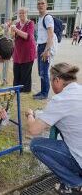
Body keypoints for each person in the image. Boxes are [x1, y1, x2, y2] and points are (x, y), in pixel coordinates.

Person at [26, 62, 82, 194]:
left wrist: (29, 115)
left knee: (36, 145)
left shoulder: (60, 100)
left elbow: (34, 130)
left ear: (57, 80)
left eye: (51, 81)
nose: (51, 85)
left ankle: (74, 183)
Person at [33, 0, 58, 100]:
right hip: (41, 46)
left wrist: (47, 50)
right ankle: (42, 91)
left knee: (44, 72)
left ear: (46, 5)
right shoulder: (40, 18)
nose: (40, 5)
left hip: (46, 46)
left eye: (42, 3)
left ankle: (45, 94)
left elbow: (50, 35)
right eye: (39, 3)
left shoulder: (47, 18)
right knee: (41, 72)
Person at [11, 7, 36, 93]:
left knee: (26, 72)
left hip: (27, 52)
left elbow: (27, 36)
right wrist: (11, 31)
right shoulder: (17, 24)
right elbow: (13, 37)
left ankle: (25, 90)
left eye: (23, 13)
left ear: (26, 14)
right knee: (16, 71)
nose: (21, 14)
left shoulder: (30, 23)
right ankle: (16, 89)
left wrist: (16, 30)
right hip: (18, 52)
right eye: (20, 13)